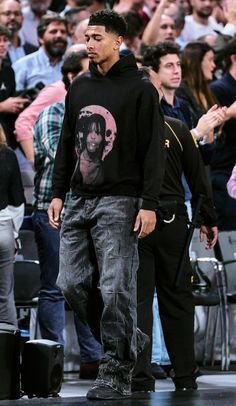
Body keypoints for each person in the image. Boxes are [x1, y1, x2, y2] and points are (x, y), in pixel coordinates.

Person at [48, 9, 165, 400]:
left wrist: (149, 203)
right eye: (87, 36)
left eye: (97, 37)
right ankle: (131, 340)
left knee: (116, 288)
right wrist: (57, 192)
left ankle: (116, 369)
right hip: (79, 198)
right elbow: (68, 141)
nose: (89, 43)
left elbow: (154, 152)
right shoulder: (79, 85)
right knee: (69, 284)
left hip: (121, 199)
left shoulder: (141, 88)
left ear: (119, 41)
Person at [131, 67, 218, 392]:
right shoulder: (177, 128)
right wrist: (208, 219)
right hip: (170, 221)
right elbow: (199, 182)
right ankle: (183, 375)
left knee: (139, 300)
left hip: (137, 220)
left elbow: (197, 179)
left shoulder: (125, 132)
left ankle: (140, 378)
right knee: (175, 299)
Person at [0, 124, 25, 328]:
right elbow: (17, 200)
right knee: (5, 297)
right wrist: (14, 234)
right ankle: (8, 357)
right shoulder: (8, 155)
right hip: (3, 229)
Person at [13, 14, 68, 91]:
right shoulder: (23, 65)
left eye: (63, 32)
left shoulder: (71, 64)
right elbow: (15, 99)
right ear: (40, 38)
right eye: (53, 31)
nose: (59, 35)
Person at [0, 24, 28, 149]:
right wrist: (2, 107)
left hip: (8, 135)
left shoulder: (8, 70)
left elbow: (9, 98)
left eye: (5, 40)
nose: (2, 44)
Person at [0, 0, 38, 65]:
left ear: (23, 18)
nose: (12, 17)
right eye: (7, 13)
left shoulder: (34, 51)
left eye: (17, 14)